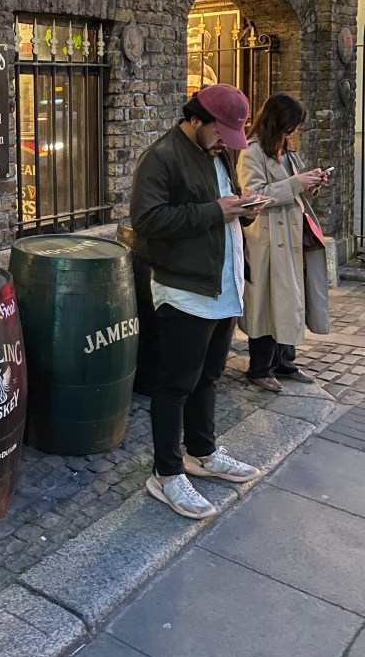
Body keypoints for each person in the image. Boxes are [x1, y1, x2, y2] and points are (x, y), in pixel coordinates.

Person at [130, 84, 263, 520]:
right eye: (220, 131)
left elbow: (222, 203)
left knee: (209, 375)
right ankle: (166, 474)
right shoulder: (162, 156)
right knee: (174, 385)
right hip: (184, 290)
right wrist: (215, 212)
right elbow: (147, 219)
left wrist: (244, 208)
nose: (227, 141)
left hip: (222, 284)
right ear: (195, 119)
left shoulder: (218, 152)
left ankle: (202, 452)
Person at [236, 93, 330, 391]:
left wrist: (312, 181)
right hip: (267, 239)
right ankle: (260, 368)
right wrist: (296, 183)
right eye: (290, 127)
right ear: (277, 123)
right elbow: (253, 194)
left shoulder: (287, 150)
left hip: (291, 237)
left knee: (290, 301)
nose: (294, 133)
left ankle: (284, 361)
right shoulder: (251, 152)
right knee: (266, 303)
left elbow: (296, 186)